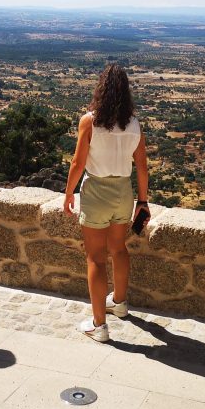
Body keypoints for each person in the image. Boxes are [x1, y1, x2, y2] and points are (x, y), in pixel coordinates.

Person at [62, 63, 149, 342]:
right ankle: (120, 304)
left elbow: (77, 163)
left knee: (96, 258)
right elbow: (143, 168)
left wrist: (68, 193)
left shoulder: (90, 122)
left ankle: (99, 326)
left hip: (97, 192)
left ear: (101, 89)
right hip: (124, 191)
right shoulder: (135, 124)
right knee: (119, 249)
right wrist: (143, 201)